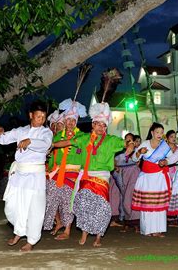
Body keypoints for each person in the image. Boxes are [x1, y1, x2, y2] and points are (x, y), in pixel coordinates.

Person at [53, 102, 135, 247]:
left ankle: (98, 237)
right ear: (93, 125)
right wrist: (52, 145)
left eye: (104, 125)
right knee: (84, 204)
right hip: (86, 177)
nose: (101, 127)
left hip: (102, 178)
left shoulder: (111, 140)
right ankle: (84, 233)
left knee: (101, 207)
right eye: (98, 124)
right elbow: (66, 142)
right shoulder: (84, 138)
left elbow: (128, 141)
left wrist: (130, 145)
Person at [0, 100, 53, 252]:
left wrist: (30, 141)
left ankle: (31, 240)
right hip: (19, 174)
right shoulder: (21, 131)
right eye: (38, 116)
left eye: (43, 117)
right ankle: (19, 231)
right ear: (31, 115)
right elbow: (4, 138)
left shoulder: (46, 132)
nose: (41, 120)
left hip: (35, 176)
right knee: (12, 206)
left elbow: (45, 145)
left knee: (34, 208)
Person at [43, 99, 86, 240]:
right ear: (65, 121)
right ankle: (56, 222)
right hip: (57, 172)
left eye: (73, 121)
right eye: (68, 120)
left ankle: (67, 230)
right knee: (50, 197)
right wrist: (48, 167)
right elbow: (52, 155)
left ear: (76, 122)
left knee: (68, 201)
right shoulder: (56, 136)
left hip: (73, 174)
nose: (70, 123)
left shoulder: (82, 137)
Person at [131, 123, 172, 237]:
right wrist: (139, 152)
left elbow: (172, 158)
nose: (159, 135)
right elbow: (134, 158)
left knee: (159, 203)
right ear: (152, 132)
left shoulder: (164, 146)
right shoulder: (145, 144)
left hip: (159, 177)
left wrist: (165, 162)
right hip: (147, 178)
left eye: (161, 132)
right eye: (157, 132)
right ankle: (147, 229)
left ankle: (158, 230)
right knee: (147, 204)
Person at [113, 133, 141, 233]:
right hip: (121, 173)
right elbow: (114, 160)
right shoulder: (119, 150)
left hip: (133, 172)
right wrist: (115, 166)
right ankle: (126, 222)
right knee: (124, 197)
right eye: (126, 140)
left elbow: (137, 160)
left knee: (131, 197)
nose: (128, 142)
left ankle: (135, 223)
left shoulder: (137, 150)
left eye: (130, 140)